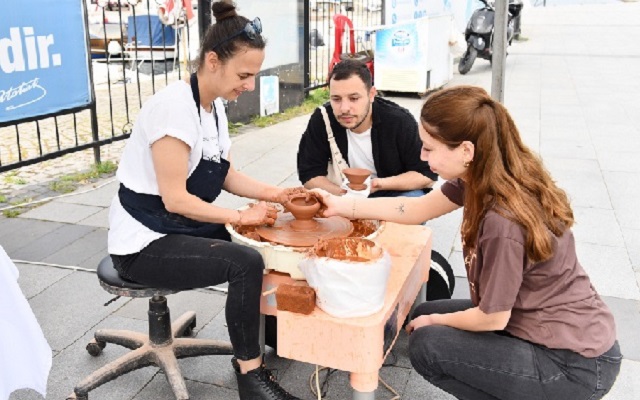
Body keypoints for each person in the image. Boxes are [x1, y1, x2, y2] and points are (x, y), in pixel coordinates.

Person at [312, 85, 622, 399]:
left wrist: (437, 321)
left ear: (466, 150)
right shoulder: (483, 176)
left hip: (573, 362)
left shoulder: (502, 221)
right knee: (423, 316)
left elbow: (492, 317)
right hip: (540, 323)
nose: (422, 156)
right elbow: (418, 208)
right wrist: (342, 206)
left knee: (427, 343)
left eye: (430, 148)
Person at [107, 2, 301, 399]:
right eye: (243, 75)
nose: (249, 85)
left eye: (254, 76)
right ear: (213, 61)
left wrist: (278, 195)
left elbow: (224, 173)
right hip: (144, 241)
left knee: (267, 236)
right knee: (245, 260)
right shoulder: (174, 108)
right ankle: (251, 376)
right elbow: (176, 199)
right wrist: (240, 216)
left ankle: (275, 337)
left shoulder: (211, 108)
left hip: (176, 224)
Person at [296, 59, 438, 198]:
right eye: (336, 99)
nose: (344, 108)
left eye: (354, 98)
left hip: (391, 193)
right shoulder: (323, 118)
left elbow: (427, 174)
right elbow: (309, 174)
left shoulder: (399, 121)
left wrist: (376, 185)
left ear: (371, 95)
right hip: (343, 193)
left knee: (414, 201)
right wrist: (346, 196)